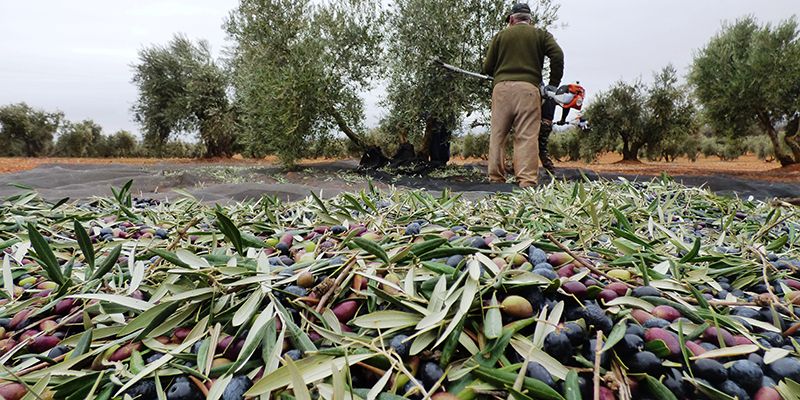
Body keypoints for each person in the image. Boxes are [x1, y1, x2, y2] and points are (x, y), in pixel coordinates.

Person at [482, 3, 564, 187]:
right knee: (526, 136)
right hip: (528, 90)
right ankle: (526, 181)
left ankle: (496, 179)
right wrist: (553, 85)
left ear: (512, 19)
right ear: (529, 20)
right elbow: (557, 55)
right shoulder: (541, 35)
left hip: (502, 90)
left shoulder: (500, 36)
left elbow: (487, 68)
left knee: (498, 135)